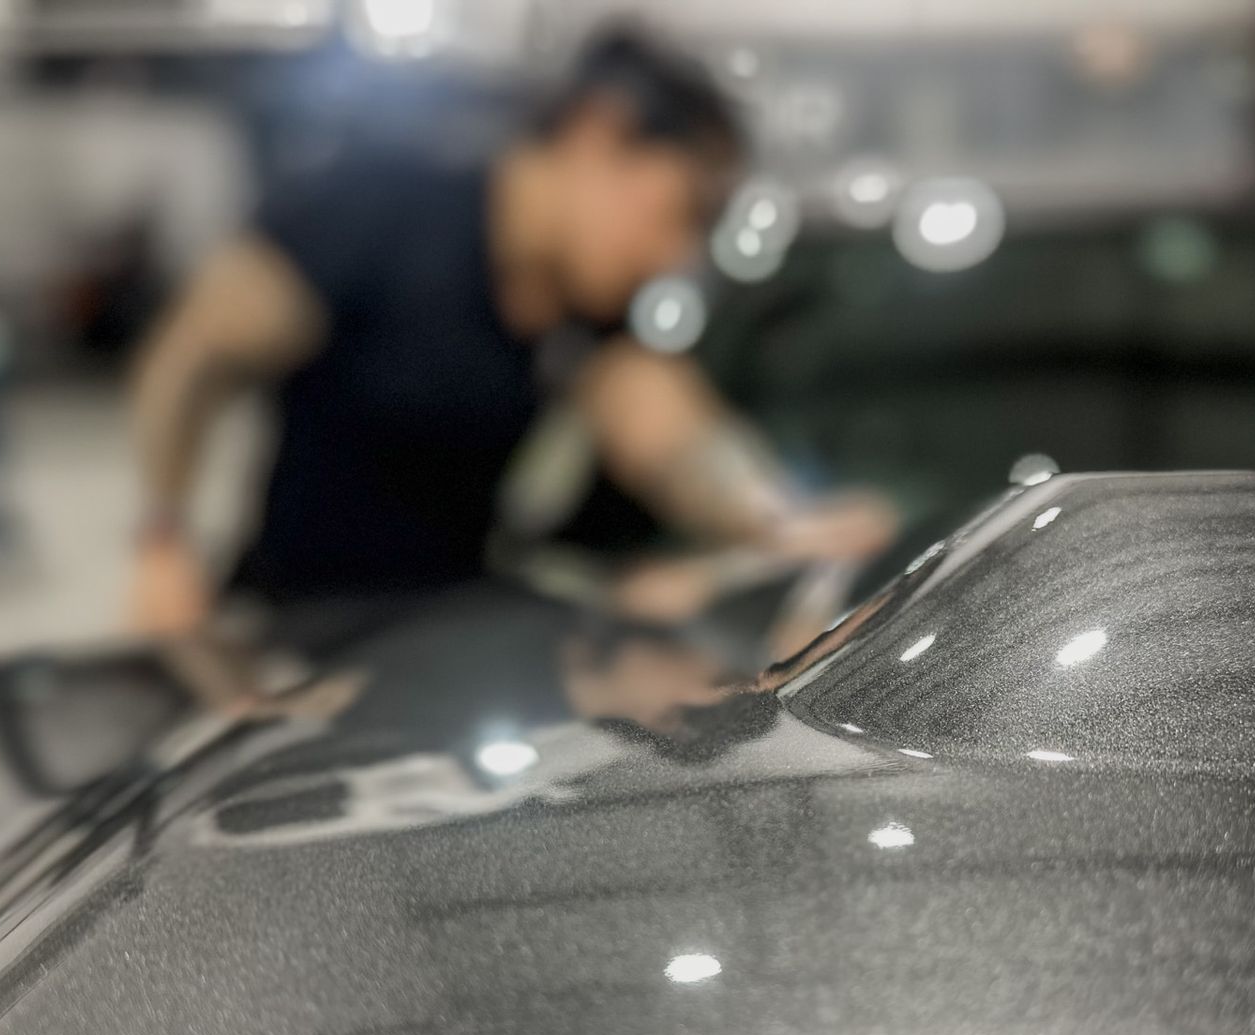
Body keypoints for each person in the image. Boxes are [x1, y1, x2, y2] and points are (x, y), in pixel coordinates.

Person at [129, 26, 892, 636]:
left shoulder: (582, 306)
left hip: (449, 639)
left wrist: (782, 519)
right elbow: (196, 353)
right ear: (599, 135)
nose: (676, 256)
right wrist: (164, 543)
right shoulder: (376, 209)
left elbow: (661, 422)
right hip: (297, 627)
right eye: (681, 211)